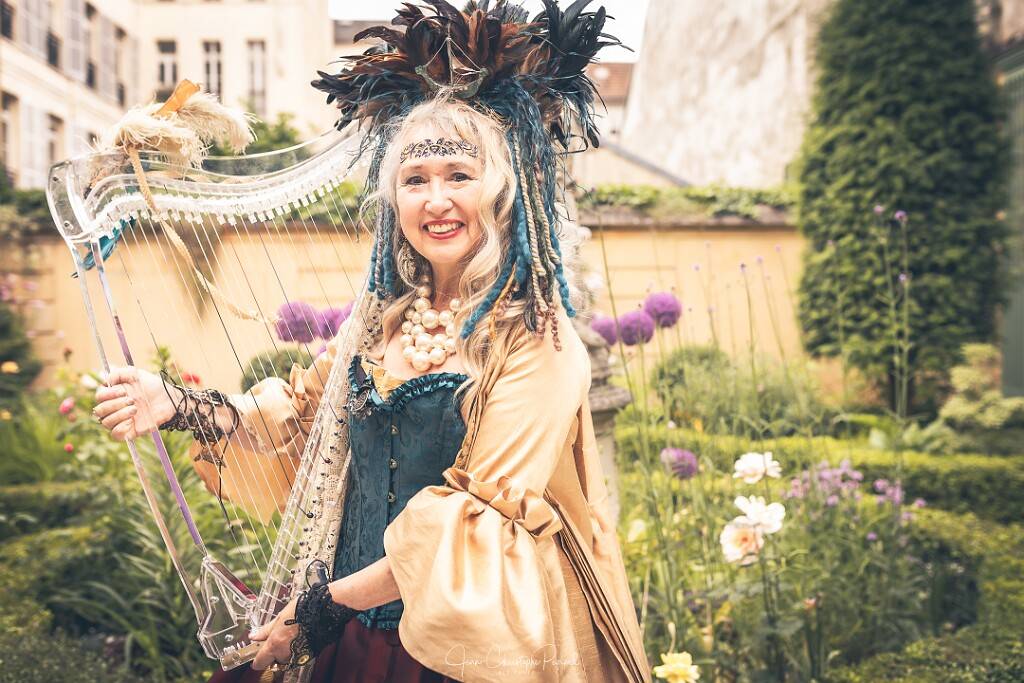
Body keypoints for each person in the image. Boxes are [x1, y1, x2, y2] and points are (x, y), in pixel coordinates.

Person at [92, 3, 650, 682]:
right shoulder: (384, 321)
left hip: (460, 644)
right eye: (415, 180)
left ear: (502, 194)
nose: (435, 200)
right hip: (348, 629)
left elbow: (475, 521)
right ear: (394, 202)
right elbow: (303, 418)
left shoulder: (535, 340)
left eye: (459, 175)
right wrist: (178, 403)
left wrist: (320, 608)